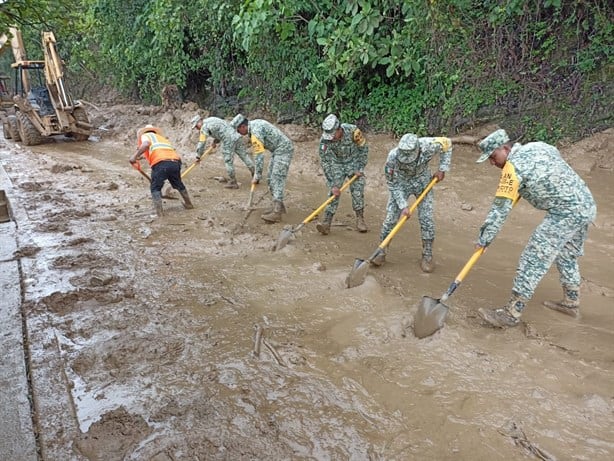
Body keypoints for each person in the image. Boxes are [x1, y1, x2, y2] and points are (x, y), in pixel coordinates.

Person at [474, 129, 597, 328]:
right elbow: (554, 159)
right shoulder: (538, 146)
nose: (492, 163)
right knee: (567, 255)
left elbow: (499, 210)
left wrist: (485, 238)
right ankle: (571, 303)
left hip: (565, 212)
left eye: (493, 156)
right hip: (586, 204)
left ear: (505, 148)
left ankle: (511, 313)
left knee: (533, 257)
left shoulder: (512, 169)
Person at [373, 133, 453, 272]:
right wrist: (403, 205)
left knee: (426, 219)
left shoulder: (429, 145)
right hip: (401, 184)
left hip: (423, 182)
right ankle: (381, 251)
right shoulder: (392, 157)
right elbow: (392, 184)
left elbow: (447, 143)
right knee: (390, 218)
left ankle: (427, 255)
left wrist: (442, 169)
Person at [230, 114, 294, 223]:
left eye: (238, 130)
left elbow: (259, 154)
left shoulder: (255, 132)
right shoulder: (254, 125)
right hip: (277, 151)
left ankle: (277, 213)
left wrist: (257, 175)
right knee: (269, 179)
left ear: (242, 127)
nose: (239, 133)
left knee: (276, 178)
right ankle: (279, 206)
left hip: (283, 150)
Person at [316, 114, 369, 234]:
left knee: (358, 190)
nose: (332, 138)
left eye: (333, 134)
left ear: (339, 129)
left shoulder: (353, 131)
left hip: (354, 162)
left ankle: (360, 219)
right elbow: (325, 162)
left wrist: (360, 168)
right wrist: (333, 183)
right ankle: (327, 222)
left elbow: (364, 149)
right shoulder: (325, 140)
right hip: (337, 164)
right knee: (333, 192)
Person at [129, 124, 194, 217]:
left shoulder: (146, 136)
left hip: (161, 162)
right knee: (178, 183)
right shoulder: (161, 138)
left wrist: (134, 156)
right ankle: (189, 204)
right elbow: (158, 151)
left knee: (155, 188)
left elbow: (146, 144)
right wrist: (139, 157)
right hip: (175, 162)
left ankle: (160, 214)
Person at [190, 115, 255, 189]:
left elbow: (202, 143)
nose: (196, 128)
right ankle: (255, 174)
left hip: (228, 141)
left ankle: (233, 182)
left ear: (200, 121)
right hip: (236, 136)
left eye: (196, 126)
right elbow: (222, 129)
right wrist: (216, 140)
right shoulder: (212, 119)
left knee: (228, 161)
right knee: (244, 156)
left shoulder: (204, 128)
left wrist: (198, 156)